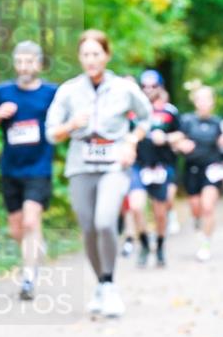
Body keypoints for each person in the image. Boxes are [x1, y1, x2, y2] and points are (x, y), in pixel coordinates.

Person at [45, 29, 151, 317]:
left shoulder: (124, 89)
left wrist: (131, 141)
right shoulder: (68, 90)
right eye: (85, 54)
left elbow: (147, 116)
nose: (91, 60)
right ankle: (101, 284)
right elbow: (51, 133)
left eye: (96, 54)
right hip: (80, 164)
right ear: (79, 58)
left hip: (114, 163)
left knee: (105, 222)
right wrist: (70, 126)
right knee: (89, 228)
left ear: (107, 55)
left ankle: (110, 284)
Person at [0, 41, 58, 301]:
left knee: (30, 221)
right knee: (16, 229)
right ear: (15, 64)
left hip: (39, 167)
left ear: (38, 63)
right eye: (20, 62)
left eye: (29, 61)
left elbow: (63, 121)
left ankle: (28, 278)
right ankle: (37, 248)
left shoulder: (51, 93)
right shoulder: (3, 92)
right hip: (10, 168)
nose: (24, 66)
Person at [126, 70, 181, 268]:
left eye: (153, 86)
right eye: (145, 86)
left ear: (160, 87)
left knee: (160, 213)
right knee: (136, 206)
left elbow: (180, 136)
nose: (149, 90)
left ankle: (159, 246)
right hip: (138, 165)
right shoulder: (132, 112)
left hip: (161, 167)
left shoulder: (169, 111)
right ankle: (143, 244)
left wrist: (165, 138)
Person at [176, 86, 223, 262]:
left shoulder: (217, 122)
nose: (203, 103)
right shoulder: (187, 121)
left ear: (212, 102)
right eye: (200, 99)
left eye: (207, 99)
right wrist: (181, 144)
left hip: (212, 169)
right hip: (192, 169)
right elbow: (176, 139)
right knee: (196, 207)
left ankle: (205, 244)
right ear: (195, 101)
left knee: (208, 206)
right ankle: (198, 221)